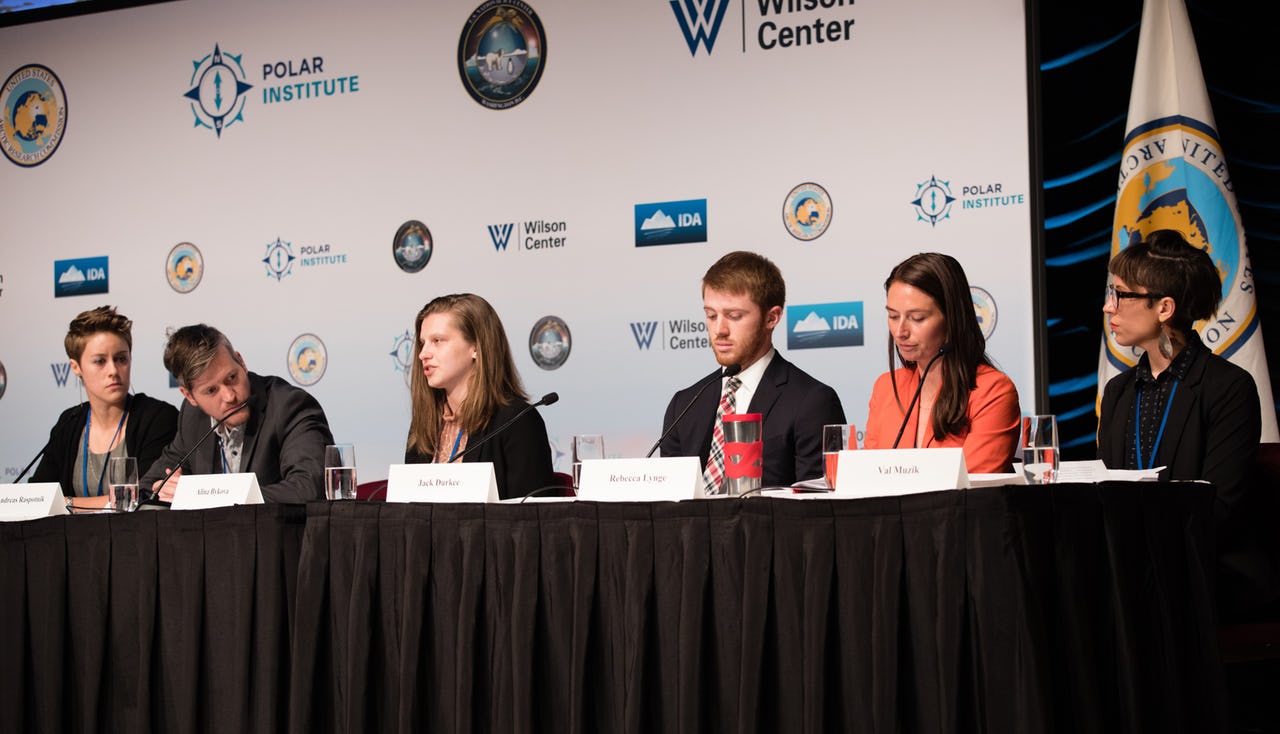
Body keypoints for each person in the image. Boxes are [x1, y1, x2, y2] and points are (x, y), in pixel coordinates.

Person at [1097, 229, 1261, 515]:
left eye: (1120, 295)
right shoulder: (1117, 391)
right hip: (1129, 554)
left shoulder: (1229, 388)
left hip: (1202, 554)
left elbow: (1220, 508)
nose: (1108, 307)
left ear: (1164, 308)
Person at [660, 250, 846, 490]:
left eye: (734, 316)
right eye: (711, 315)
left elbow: (817, 509)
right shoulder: (683, 405)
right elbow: (669, 504)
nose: (719, 330)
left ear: (772, 318)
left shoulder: (812, 402)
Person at [863, 252, 1020, 473]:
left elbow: (970, 488)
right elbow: (868, 479)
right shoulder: (886, 388)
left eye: (917, 318)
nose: (900, 332)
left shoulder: (993, 392)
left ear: (953, 318)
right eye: (893, 316)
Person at [140, 324, 334, 503]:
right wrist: (163, 489)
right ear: (189, 396)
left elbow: (309, 487)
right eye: (211, 391)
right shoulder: (193, 417)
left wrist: (204, 496)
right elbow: (149, 487)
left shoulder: (289, 406)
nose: (229, 396)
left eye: (232, 377)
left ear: (241, 362)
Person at [404, 293, 556, 499]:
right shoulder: (425, 423)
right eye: (423, 343)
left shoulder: (516, 421)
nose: (424, 353)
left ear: (476, 346)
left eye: (437, 341)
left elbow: (532, 519)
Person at [32, 306, 178, 506]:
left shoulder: (157, 417)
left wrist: (66, 503)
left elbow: (146, 496)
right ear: (76, 367)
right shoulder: (69, 423)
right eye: (100, 361)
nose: (113, 370)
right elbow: (40, 498)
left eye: (121, 359)